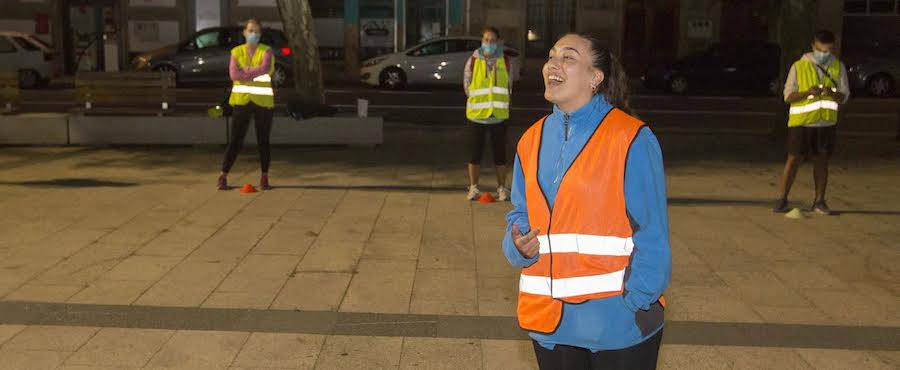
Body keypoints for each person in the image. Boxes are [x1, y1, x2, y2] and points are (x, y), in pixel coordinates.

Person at [503, 33, 670, 370]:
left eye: (568, 57)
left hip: (618, 325)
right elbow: (520, 212)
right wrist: (516, 245)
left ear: (596, 77)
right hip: (551, 322)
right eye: (551, 56)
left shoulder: (630, 137)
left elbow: (652, 234)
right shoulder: (531, 139)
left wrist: (635, 303)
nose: (553, 64)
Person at [774, 30, 849, 215]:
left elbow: (844, 96)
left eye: (828, 50)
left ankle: (820, 201)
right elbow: (788, 96)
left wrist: (832, 93)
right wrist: (808, 92)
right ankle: (782, 199)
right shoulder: (799, 66)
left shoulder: (838, 67)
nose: (824, 54)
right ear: (813, 46)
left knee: (822, 162)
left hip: (826, 124)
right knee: (793, 160)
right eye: (821, 50)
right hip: (801, 123)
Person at [217, 18, 275, 191]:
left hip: (263, 102)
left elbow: (265, 69)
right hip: (242, 101)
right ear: (244, 33)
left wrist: (246, 72)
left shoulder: (267, 51)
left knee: (263, 140)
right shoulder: (236, 52)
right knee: (236, 140)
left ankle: (264, 176)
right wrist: (252, 72)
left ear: (261, 34)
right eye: (251, 31)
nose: (254, 34)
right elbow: (234, 74)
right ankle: (223, 175)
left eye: (257, 32)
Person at [464, 26, 515, 201]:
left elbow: (509, 86)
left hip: (499, 116)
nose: (489, 43)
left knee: (500, 155)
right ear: (481, 41)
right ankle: (473, 188)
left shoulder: (506, 61)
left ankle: (502, 188)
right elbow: (467, 85)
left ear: (498, 42)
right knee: (474, 155)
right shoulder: (473, 60)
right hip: (476, 115)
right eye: (486, 40)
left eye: (492, 40)